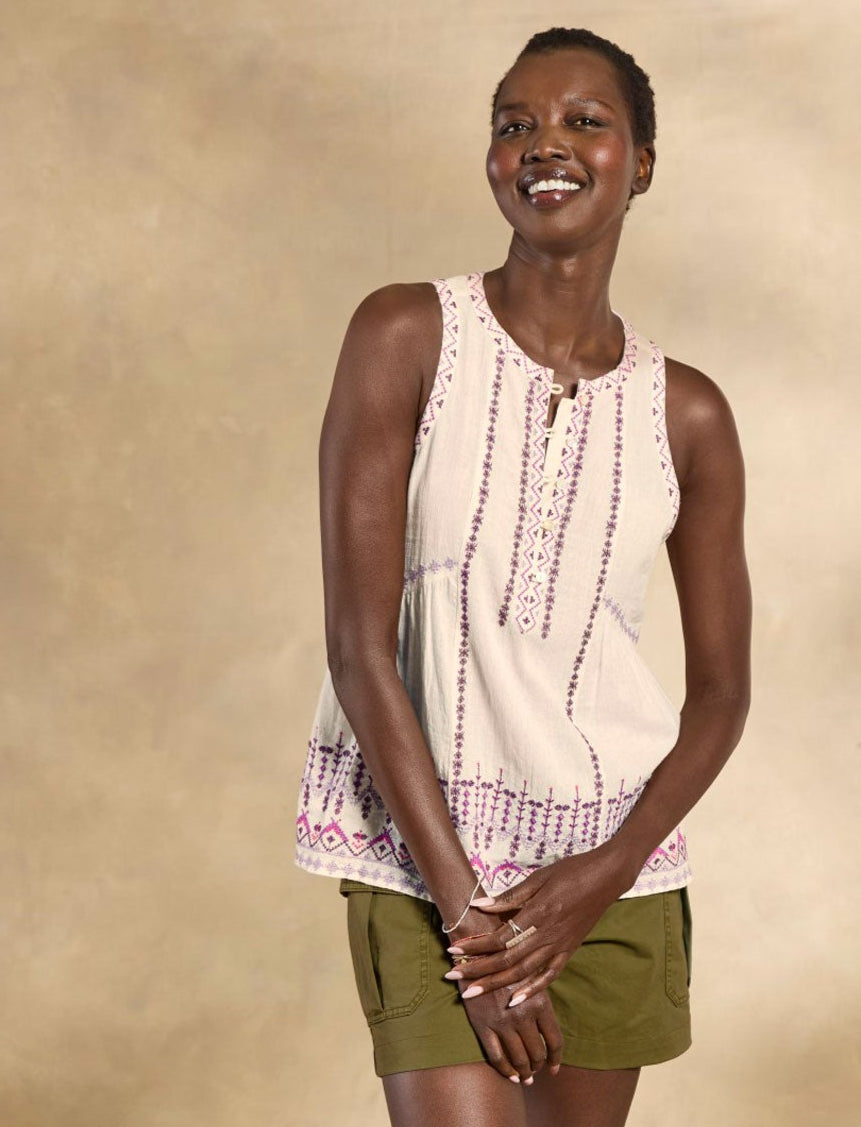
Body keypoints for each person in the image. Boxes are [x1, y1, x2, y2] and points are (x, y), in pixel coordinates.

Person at [294, 25, 752, 1127]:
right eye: (515, 124)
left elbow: (721, 695)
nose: (544, 143)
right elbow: (360, 650)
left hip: (605, 878)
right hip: (426, 864)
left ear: (640, 163)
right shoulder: (406, 334)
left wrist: (602, 875)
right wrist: (471, 924)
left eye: (583, 122)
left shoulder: (686, 413)